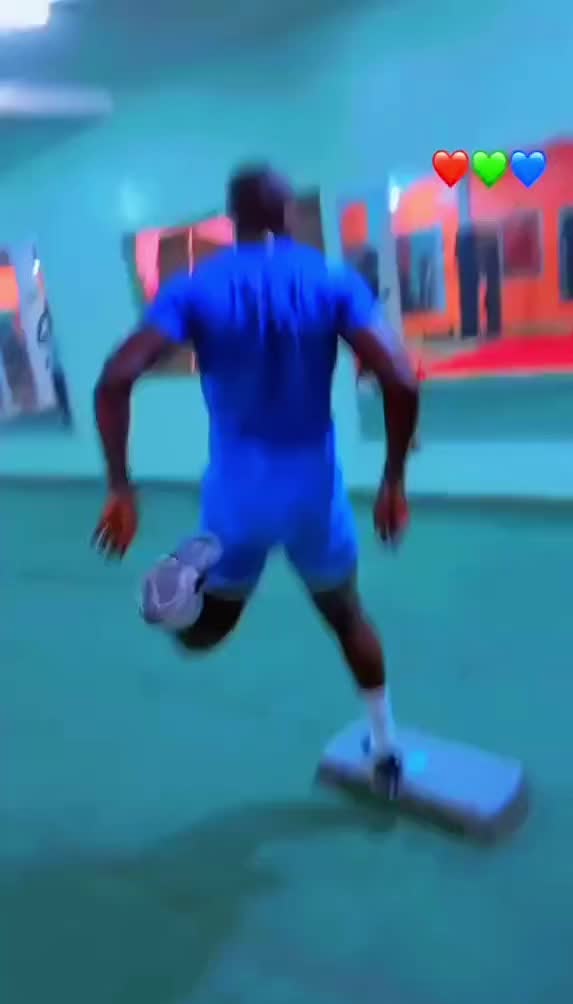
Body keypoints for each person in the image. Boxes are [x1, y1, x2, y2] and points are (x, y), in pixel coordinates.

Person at [92, 165, 420, 797]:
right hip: (312, 497)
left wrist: (120, 488)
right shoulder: (330, 278)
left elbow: (116, 377)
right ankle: (385, 750)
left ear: (232, 218)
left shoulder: (196, 287)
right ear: (288, 213)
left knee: (202, 637)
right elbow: (401, 381)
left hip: (235, 501)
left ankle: (175, 598)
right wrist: (393, 482)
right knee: (348, 618)